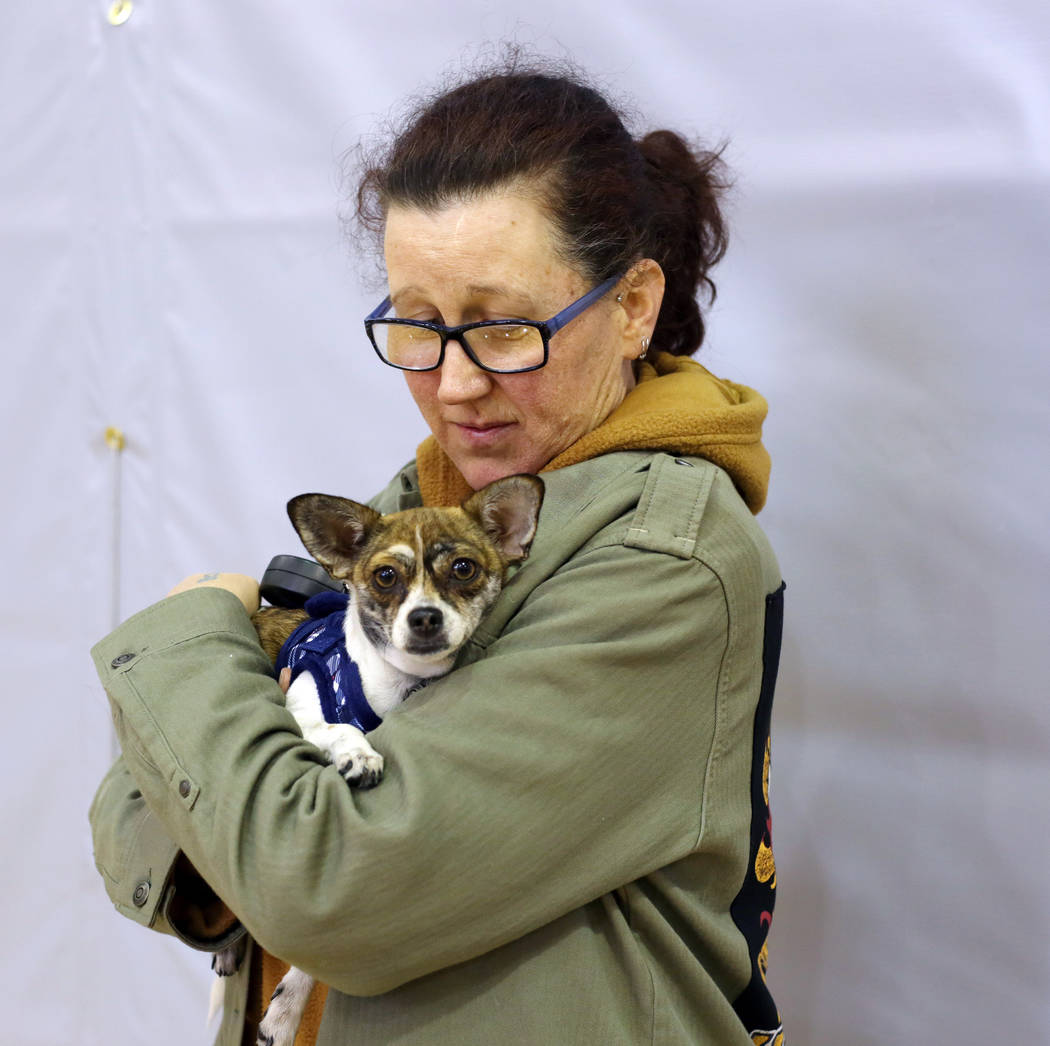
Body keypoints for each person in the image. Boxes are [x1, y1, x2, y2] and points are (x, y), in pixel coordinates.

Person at [89, 58, 786, 1046]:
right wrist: (242, 816)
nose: (454, 383)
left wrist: (199, 623)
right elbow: (140, 832)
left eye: (502, 328)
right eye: (417, 327)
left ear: (631, 305)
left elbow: (321, 881)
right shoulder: (432, 505)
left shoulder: (664, 557)